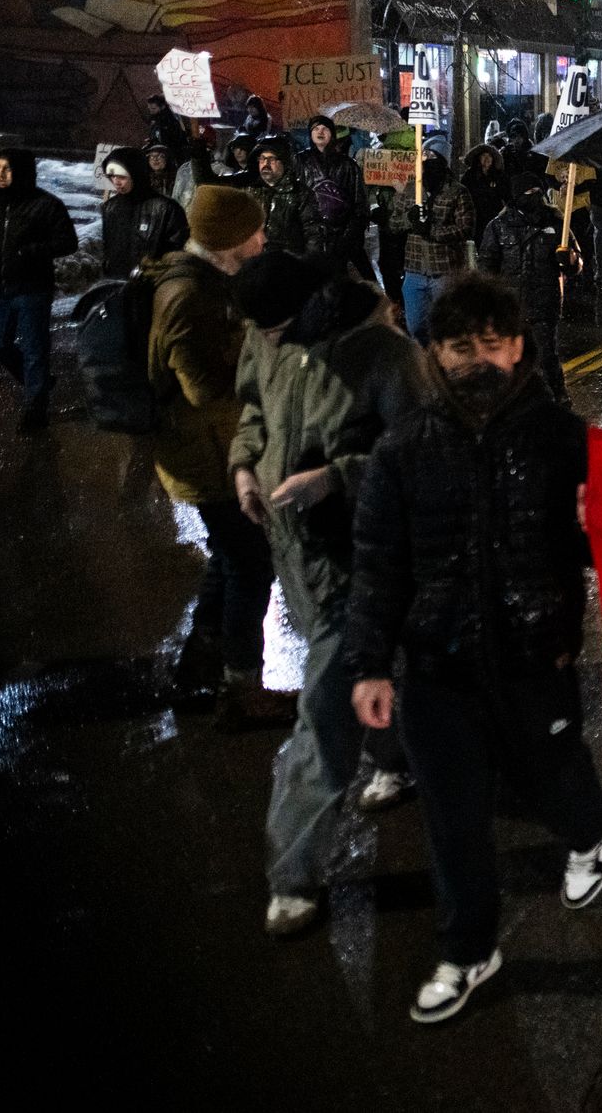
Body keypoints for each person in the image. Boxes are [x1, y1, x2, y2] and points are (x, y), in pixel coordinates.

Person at [341, 272, 602, 1024]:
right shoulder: (403, 450)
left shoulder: (564, 438)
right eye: (459, 345)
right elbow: (379, 564)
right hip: (436, 671)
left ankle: (593, 832)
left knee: (557, 776)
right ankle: (468, 951)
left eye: (491, 343)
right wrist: (369, 662)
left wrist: (600, 522)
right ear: (433, 353)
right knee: (453, 821)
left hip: (537, 657)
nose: (476, 359)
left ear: (519, 346)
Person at [231, 248, 432, 937]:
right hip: (298, 553)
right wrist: (244, 468)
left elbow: (422, 448)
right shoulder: (268, 335)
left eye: (278, 329)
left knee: (323, 707)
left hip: (363, 558)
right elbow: (252, 409)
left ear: (316, 303)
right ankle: (397, 758)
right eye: (259, 332)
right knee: (366, 675)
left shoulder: (385, 354)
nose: (267, 342)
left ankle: (292, 873)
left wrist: (335, 476)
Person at [145, 185, 282, 723]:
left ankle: (199, 666)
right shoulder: (188, 295)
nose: (262, 239)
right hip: (204, 455)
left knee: (229, 559)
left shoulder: (206, 282)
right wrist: (257, 353)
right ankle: (241, 691)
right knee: (252, 564)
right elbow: (202, 387)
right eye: (255, 232)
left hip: (209, 446)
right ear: (229, 240)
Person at [478, 173, 580, 403]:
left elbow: (576, 264)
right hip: (510, 307)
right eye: (528, 193)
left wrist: (570, 260)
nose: (534, 197)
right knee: (508, 360)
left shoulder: (556, 223)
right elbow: (487, 267)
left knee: (546, 356)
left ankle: (558, 399)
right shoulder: (498, 227)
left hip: (544, 304)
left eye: (537, 192)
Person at [0, 147, 79, 432]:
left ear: (21, 171)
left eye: (7, 169)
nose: (1, 175)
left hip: (32, 286)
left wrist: (31, 252)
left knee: (34, 347)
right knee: (1, 345)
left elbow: (68, 242)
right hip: (2, 287)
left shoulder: (46, 204)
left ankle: (36, 406)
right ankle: (40, 383)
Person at [394, 153, 475, 343]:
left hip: (444, 271)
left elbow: (466, 228)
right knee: (416, 327)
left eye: (433, 156)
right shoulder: (411, 190)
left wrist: (432, 231)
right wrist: (410, 219)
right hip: (414, 270)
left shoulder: (457, 192)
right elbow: (393, 222)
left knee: (448, 327)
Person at [296, 115, 370, 279]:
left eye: (324, 128)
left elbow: (360, 205)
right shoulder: (299, 161)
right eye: (315, 129)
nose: (320, 132)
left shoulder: (348, 165)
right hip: (309, 240)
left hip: (339, 240)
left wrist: (347, 238)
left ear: (332, 134)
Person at [98, 146, 189, 278]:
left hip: (154, 283)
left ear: (136, 174)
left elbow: (177, 251)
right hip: (118, 283)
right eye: (112, 176)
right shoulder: (110, 207)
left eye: (122, 177)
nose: (116, 182)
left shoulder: (167, 209)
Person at [247, 136, 314, 259]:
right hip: (256, 263)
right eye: (262, 159)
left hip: (288, 266)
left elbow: (313, 234)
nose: (265, 164)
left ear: (284, 162)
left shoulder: (300, 193)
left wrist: (307, 266)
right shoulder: (251, 191)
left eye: (271, 159)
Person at [461, 142, 509, 233]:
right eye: (484, 156)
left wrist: (503, 211)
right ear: (479, 158)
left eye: (489, 156)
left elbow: (506, 195)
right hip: (475, 218)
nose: (487, 159)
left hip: (495, 218)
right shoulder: (470, 175)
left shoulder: (499, 176)